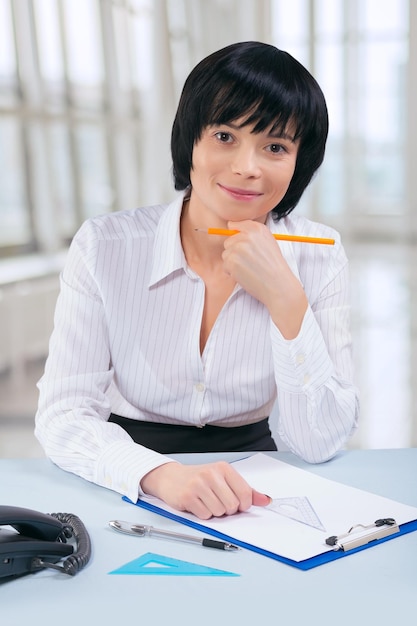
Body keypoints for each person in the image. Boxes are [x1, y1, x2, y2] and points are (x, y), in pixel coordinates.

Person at [35, 41, 359, 521]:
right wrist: (159, 475)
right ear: (190, 139)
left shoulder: (321, 256)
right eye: (225, 136)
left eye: (275, 146)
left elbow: (319, 441)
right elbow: (63, 415)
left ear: (299, 161)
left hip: (260, 477)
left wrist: (285, 297)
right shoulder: (104, 245)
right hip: (124, 468)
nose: (248, 167)